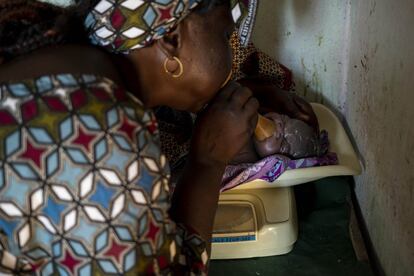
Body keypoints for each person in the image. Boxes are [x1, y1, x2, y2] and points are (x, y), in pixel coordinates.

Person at [0, 0, 260, 274]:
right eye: (225, 36)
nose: (232, 58)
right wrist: (209, 159)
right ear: (172, 38)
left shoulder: (63, 76)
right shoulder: (99, 138)